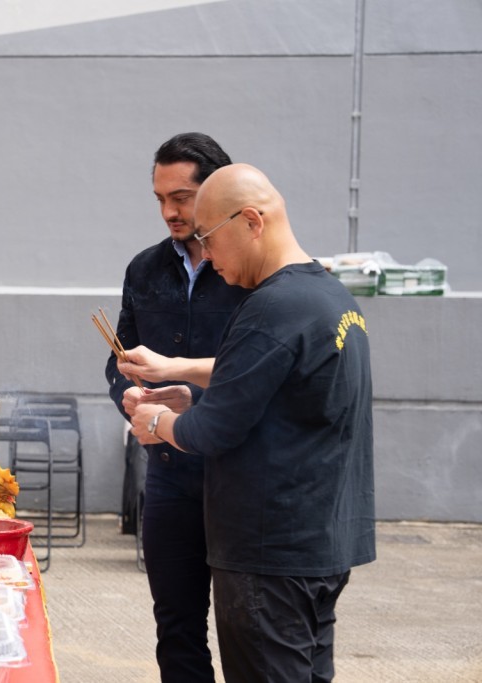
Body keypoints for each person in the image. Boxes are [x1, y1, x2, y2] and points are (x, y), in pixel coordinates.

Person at [119, 163, 375, 682]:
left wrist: (157, 421)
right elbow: (284, 399)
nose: (207, 257)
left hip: (268, 552)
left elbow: (214, 432)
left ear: (252, 221)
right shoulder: (329, 296)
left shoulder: (270, 308)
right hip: (320, 543)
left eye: (210, 239)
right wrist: (189, 400)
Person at [105, 132, 246, 682]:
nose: (169, 211)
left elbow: (261, 372)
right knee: (176, 628)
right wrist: (132, 398)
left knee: (248, 630)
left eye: (182, 197)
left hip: (235, 473)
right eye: (160, 198)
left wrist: (194, 401)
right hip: (166, 475)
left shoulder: (251, 272)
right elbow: (119, 357)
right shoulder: (144, 269)